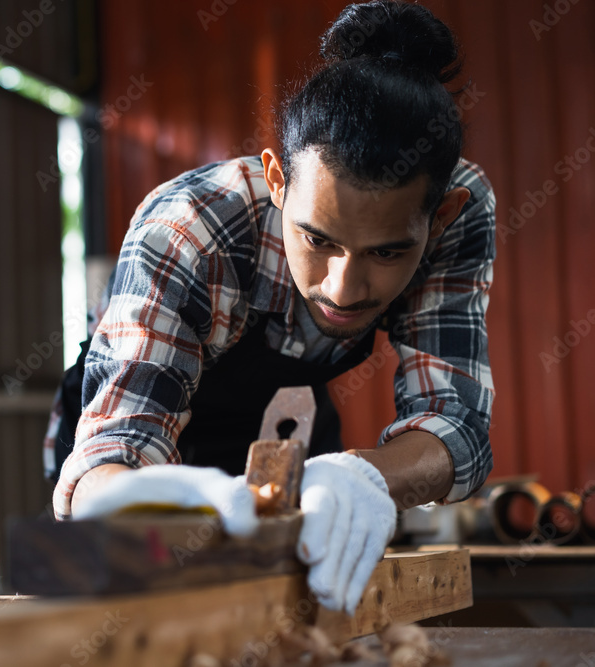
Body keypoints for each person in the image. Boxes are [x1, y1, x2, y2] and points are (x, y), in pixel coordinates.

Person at [43, 0, 495, 615]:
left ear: (437, 219)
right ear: (277, 181)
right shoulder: (189, 228)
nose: (343, 288)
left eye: (388, 251)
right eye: (318, 240)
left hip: (294, 432)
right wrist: (155, 504)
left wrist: (362, 476)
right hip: (149, 446)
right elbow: (111, 453)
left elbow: (458, 426)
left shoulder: (458, 209)